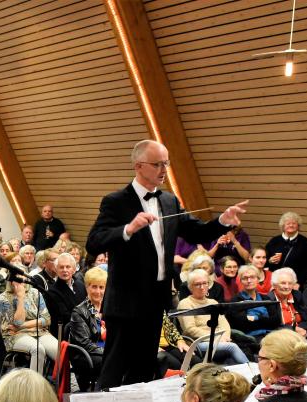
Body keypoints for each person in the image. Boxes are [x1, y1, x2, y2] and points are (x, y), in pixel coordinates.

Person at [86, 139, 247, 388]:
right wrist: (127, 229)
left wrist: (222, 221)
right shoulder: (116, 201)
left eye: (166, 163)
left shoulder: (169, 200)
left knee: (144, 369)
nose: (164, 169)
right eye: (157, 164)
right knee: (114, 369)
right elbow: (94, 243)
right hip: (125, 302)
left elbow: (196, 232)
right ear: (139, 166)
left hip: (155, 301)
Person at [175, 269, 249, 366]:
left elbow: (224, 323)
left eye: (204, 283)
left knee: (243, 345)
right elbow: (190, 329)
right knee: (232, 347)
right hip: (197, 342)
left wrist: (225, 336)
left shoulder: (213, 302)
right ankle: (251, 370)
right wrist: (216, 337)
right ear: (190, 287)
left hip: (220, 340)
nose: (202, 287)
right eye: (197, 284)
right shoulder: (185, 303)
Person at [0, 265, 57, 367]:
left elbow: (46, 319)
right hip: (15, 336)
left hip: (39, 332)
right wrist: (20, 298)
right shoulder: (4, 297)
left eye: (21, 275)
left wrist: (21, 326)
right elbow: (17, 322)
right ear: (10, 279)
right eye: (15, 276)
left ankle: (72, 383)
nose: (19, 279)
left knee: (60, 350)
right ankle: (35, 382)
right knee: (38, 349)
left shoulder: (35, 292)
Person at [66, 266, 108, 389]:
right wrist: (109, 353)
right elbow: (84, 343)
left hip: (106, 351)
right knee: (114, 363)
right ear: (87, 287)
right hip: (86, 355)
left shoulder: (109, 308)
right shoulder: (79, 311)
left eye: (101, 287)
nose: (98, 291)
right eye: (94, 287)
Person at [263, 211, 307, 288]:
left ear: (298, 226)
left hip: (293, 283)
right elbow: (263, 259)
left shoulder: (305, 242)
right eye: (288, 223)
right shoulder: (274, 241)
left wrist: (299, 283)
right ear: (283, 226)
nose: (291, 225)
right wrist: (269, 261)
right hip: (274, 283)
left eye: (294, 223)